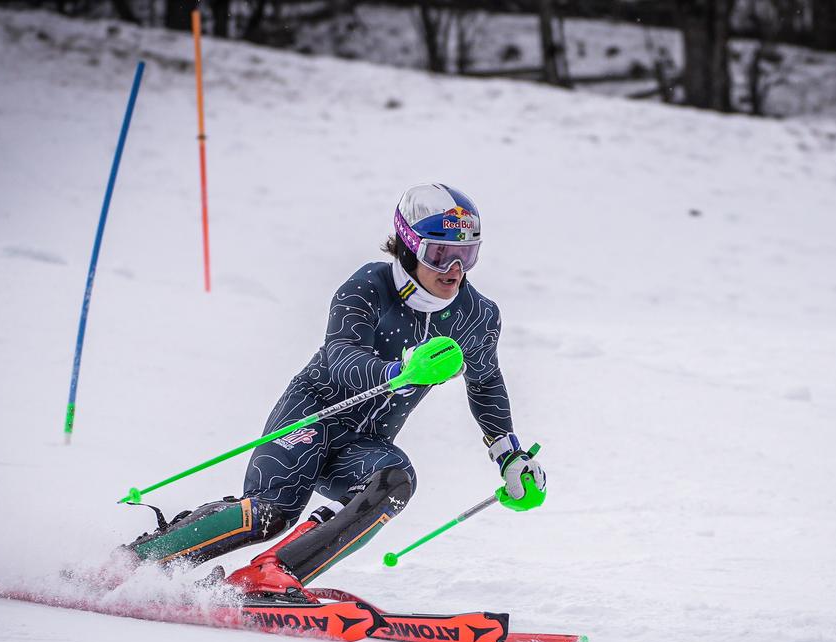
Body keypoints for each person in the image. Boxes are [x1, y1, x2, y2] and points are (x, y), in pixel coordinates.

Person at [124, 184, 547, 602]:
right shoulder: (368, 285)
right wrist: (398, 371)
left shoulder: (476, 315)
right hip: (312, 416)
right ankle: (135, 560)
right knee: (270, 514)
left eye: (467, 255)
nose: (454, 269)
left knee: (395, 479)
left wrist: (509, 453)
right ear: (407, 245)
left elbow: (485, 380)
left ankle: (273, 573)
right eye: (440, 254)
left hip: (364, 444)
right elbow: (340, 355)